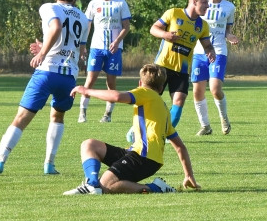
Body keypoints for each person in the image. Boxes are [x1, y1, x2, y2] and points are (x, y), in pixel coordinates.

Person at [0, 0, 89, 176]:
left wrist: (42, 52)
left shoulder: (49, 7)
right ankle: (49, 164)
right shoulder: (83, 17)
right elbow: (80, 50)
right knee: (57, 116)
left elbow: (56, 27)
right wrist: (46, 46)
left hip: (47, 72)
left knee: (21, 118)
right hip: (68, 77)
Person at [62, 64, 201, 195]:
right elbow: (180, 147)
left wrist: (86, 90)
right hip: (142, 155)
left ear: (140, 83)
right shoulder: (163, 108)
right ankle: (91, 184)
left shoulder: (145, 92)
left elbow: (117, 96)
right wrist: (189, 175)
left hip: (144, 157)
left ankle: (155, 188)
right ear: (161, 88)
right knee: (89, 145)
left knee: (106, 185)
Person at [149, 0, 215, 128]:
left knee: (179, 102)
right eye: (205, 3)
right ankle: (137, 129)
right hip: (162, 66)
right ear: (194, 2)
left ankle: (165, 134)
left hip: (182, 71)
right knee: (150, 100)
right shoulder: (173, 13)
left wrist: (210, 51)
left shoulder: (203, 25)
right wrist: (165, 34)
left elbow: (207, 45)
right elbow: (153, 29)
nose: (208, 6)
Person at [78, 0, 131, 124]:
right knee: (90, 80)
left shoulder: (121, 3)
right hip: (96, 48)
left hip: (114, 49)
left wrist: (117, 42)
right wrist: (83, 45)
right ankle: (82, 112)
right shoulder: (94, 4)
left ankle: (107, 114)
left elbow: (126, 27)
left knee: (111, 83)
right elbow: (87, 26)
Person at [191, 0, 239, 136]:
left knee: (215, 89)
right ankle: (205, 126)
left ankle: (224, 118)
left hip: (218, 51)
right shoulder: (201, 4)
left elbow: (227, 30)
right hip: (199, 52)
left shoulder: (229, 7)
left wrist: (229, 36)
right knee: (198, 91)